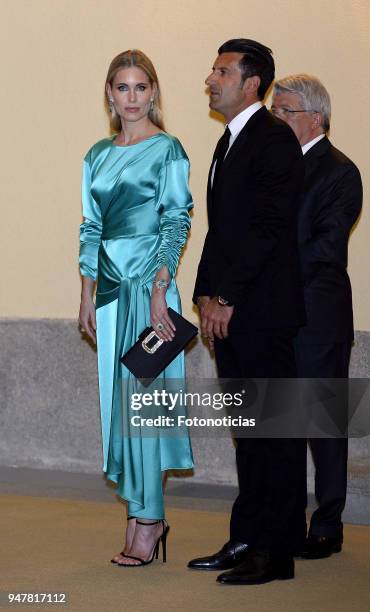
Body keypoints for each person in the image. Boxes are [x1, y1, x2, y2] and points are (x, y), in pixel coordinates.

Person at [188, 39, 307, 585]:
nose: (211, 79)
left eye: (221, 71)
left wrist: (228, 298)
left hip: (261, 313)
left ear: (252, 82)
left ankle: (275, 552)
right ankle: (247, 536)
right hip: (231, 310)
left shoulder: (274, 139)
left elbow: (267, 231)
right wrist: (204, 295)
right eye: (213, 70)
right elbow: (221, 231)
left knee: (274, 434)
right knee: (248, 431)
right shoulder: (227, 141)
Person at [78, 49, 194, 567]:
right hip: (107, 295)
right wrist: (86, 293)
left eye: (140, 88)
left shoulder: (168, 149)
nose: (131, 98)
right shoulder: (95, 156)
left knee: (144, 406)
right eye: (121, 88)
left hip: (152, 292)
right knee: (117, 409)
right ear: (109, 93)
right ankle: (140, 512)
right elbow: (90, 228)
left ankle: (148, 521)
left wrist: (158, 286)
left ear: (154, 92)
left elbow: (177, 221)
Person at [271, 75, 362, 559]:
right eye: (275, 109)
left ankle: (328, 522)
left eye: (284, 110)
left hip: (317, 317)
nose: (276, 118)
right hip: (274, 316)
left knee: (323, 423)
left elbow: (324, 248)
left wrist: (269, 279)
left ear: (315, 118)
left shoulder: (341, 171)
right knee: (278, 420)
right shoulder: (273, 167)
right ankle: (283, 517)